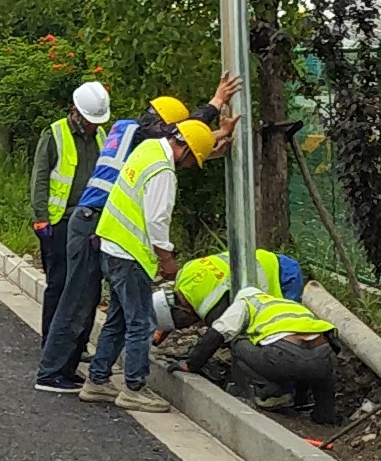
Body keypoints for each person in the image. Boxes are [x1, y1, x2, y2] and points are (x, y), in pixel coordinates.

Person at [34, 74, 240, 393]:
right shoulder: (143, 140)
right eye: (172, 127)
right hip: (91, 223)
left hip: (92, 221)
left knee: (88, 300)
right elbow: (181, 139)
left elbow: (183, 141)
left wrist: (211, 138)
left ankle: (72, 369)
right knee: (77, 299)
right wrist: (213, 107)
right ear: (161, 125)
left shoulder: (124, 129)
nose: (175, 133)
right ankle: (51, 372)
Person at [78, 118, 216, 413]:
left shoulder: (149, 148)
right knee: (141, 323)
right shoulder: (164, 172)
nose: (190, 166)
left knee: (118, 318)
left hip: (111, 245)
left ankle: (97, 380)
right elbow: (156, 221)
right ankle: (134, 389)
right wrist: (167, 259)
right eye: (194, 160)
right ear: (187, 151)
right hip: (131, 254)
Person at [168, 288, 339, 424]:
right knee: (320, 364)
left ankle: (271, 394)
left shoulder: (247, 303)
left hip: (283, 355)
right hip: (325, 355)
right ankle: (325, 414)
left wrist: (191, 365)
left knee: (238, 344)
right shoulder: (289, 305)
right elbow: (316, 349)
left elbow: (218, 333)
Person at [30, 81, 110, 369]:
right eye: (88, 120)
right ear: (75, 112)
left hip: (90, 221)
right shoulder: (55, 134)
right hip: (58, 221)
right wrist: (40, 218)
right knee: (60, 284)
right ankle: (51, 342)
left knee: (88, 286)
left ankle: (78, 344)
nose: (91, 126)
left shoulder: (101, 136)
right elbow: (40, 177)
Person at [153, 247, 304, 337]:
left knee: (284, 333)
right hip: (266, 259)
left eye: (181, 323)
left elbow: (222, 333)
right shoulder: (184, 274)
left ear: (182, 312)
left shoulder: (211, 309)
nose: (186, 327)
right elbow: (169, 307)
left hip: (282, 279)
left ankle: (287, 388)